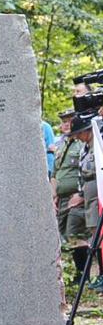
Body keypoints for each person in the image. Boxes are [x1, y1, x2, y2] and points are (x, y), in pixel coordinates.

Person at [50, 109, 90, 282]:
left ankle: (83, 276)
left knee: (77, 233)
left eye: (68, 122)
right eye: (63, 122)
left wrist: (80, 194)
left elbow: (84, 169)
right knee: (66, 234)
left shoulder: (82, 143)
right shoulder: (63, 144)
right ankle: (76, 274)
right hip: (62, 197)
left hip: (77, 196)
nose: (64, 125)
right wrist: (54, 194)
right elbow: (56, 171)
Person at [73, 111, 101, 283]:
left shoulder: (98, 142)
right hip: (88, 191)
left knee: (99, 231)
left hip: (97, 189)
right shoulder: (85, 147)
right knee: (94, 231)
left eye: (80, 132)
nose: (78, 136)